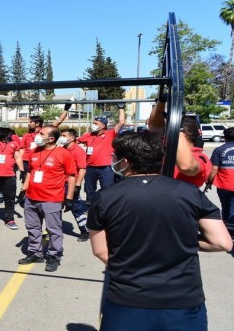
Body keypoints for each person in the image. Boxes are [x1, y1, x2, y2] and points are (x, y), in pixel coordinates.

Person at [87, 131, 232, 331]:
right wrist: (187, 240)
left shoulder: (105, 197)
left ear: (126, 161)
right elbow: (222, 242)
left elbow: (100, 250)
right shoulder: (190, 193)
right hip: (183, 300)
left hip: (128, 299)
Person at [18, 126, 76, 272]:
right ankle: (35, 253)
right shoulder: (35, 151)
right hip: (31, 198)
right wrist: (23, 189)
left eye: (41, 133)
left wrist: (69, 198)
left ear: (51, 139)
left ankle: (54, 255)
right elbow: (30, 172)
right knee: (32, 227)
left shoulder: (64, 154)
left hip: (51, 199)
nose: (37, 135)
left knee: (53, 230)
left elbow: (71, 176)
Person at [148, 97, 212, 187]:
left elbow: (186, 167)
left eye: (168, 131)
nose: (165, 134)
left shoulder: (200, 158)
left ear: (183, 134)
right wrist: (161, 102)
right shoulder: (169, 150)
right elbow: (155, 126)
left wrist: (177, 128)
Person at [76, 104, 125, 204]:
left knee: (107, 189)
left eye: (96, 123)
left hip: (106, 168)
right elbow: (74, 142)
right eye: (93, 123)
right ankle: (91, 206)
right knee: (89, 190)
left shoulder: (110, 133)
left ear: (103, 125)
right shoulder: (88, 135)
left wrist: (121, 109)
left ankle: (107, 206)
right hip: (90, 167)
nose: (93, 125)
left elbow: (121, 122)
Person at [18, 104, 71, 182]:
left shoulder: (46, 132)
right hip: (27, 161)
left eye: (31, 122)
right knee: (26, 182)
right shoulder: (27, 135)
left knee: (39, 181)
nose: (28, 123)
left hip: (40, 160)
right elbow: (22, 150)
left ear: (37, 123)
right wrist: (21, 168)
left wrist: (66, 109)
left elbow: (58, 121)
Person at [57, 128, 90, 242]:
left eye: (64, 135)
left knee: (76, 208)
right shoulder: (61, 149)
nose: (61, 137)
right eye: (61, 135)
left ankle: (84, 231)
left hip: (70, 184)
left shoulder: (78, 151)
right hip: (60, 183)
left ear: (72, 138)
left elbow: (82, 169)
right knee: (55, 207)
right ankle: (52, 229)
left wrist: (77, 184)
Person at [207, 127, 234, 237]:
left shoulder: (219, 150)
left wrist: (209, 181)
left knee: (226, 207)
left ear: (225, 138)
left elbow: (214, 168)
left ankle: (228, 231)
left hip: (224, 184)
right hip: (225, 184)